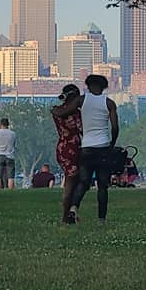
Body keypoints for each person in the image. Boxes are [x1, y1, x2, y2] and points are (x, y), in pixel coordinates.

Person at [59, 74, 119, 224]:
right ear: (103, 87)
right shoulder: (109, 103)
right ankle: (101, 219)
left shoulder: (82, 100)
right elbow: (115, 127)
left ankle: (73, 208)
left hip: (87, 147)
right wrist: (112, 143)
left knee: (84, 182)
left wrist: (55, 110)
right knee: (102, 185)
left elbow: (64, 112)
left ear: (88, 86)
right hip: (103, 147)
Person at [51, 83, 83, 222]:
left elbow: (55, 111)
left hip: (61, 147)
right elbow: (82, 129)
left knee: (71, 180)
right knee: (71, 184)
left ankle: (70, 212)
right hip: (73, 148)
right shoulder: (75, 113)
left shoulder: (57, 111)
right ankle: (66, 215)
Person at [0, 118, 17, 190]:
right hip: (10, 156)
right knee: (10, 177)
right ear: (8, 124)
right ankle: (11, 190)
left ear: (1, 124)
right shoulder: (13, 133)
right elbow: (14, 144)